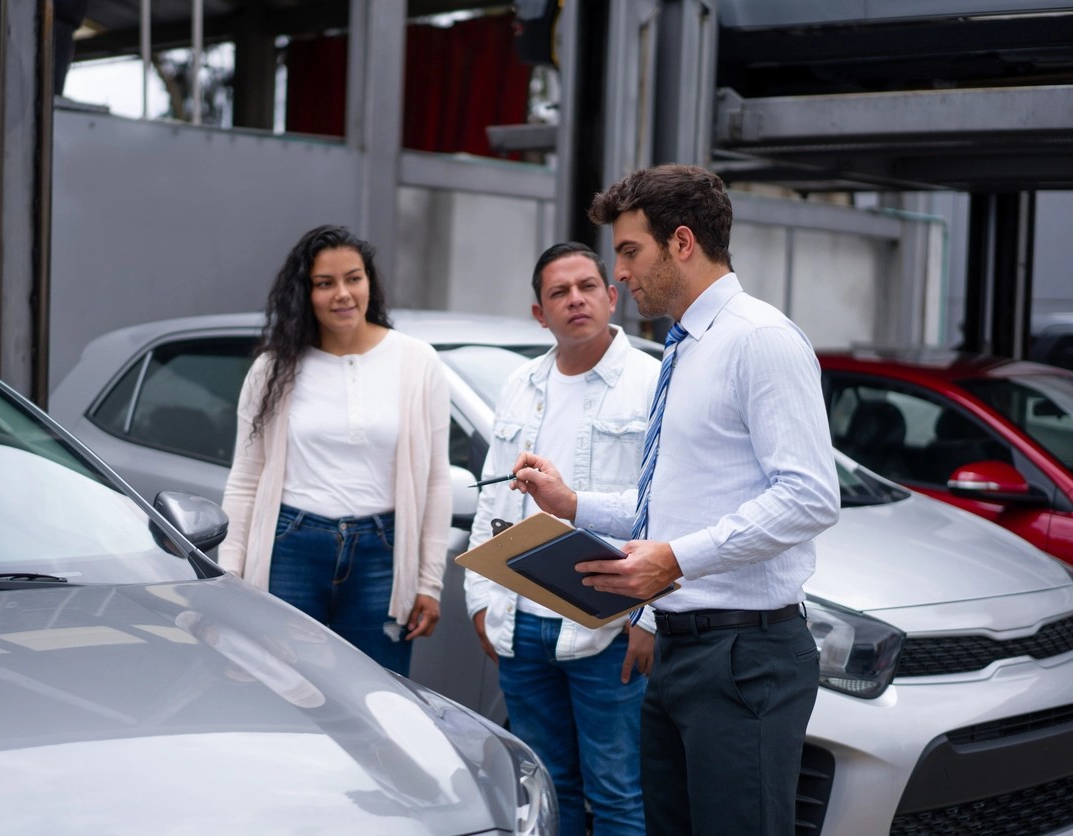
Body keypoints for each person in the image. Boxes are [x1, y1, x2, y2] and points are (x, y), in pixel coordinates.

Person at [510, 165, 840, 835]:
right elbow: (675, 504)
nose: (620, 273)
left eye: (630, 251)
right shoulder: (687, 346)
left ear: (682, 242)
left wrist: (676, 561)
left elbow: (809, 496)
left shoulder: (759, 339)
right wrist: (573, 505)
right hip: (680, 651)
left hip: (745, 658)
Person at [464, 242, 659, 836]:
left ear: (611, 296)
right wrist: (478, 597)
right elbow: (491, 493)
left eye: (586, 287)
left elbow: (669, 507)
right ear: (538, 313)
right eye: (558, 292)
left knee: (620, 794)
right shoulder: (521, 383)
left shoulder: (652, 383)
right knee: (547, 790)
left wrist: (647, 620)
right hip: (520, 624)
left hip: (607, 622)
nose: (575, 300)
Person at [217, 224, 451, 677]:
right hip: (291, 548)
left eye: (353, 278)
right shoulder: (273, 369)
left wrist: (429, 581)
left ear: (370, 282)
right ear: (305, 293)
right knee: (283, 689)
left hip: (382, 554)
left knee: (379, 697)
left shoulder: (417, 361)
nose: (342, 294)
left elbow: (437, 478)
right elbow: (245, 479)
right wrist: (229, 574)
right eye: (325, 283)